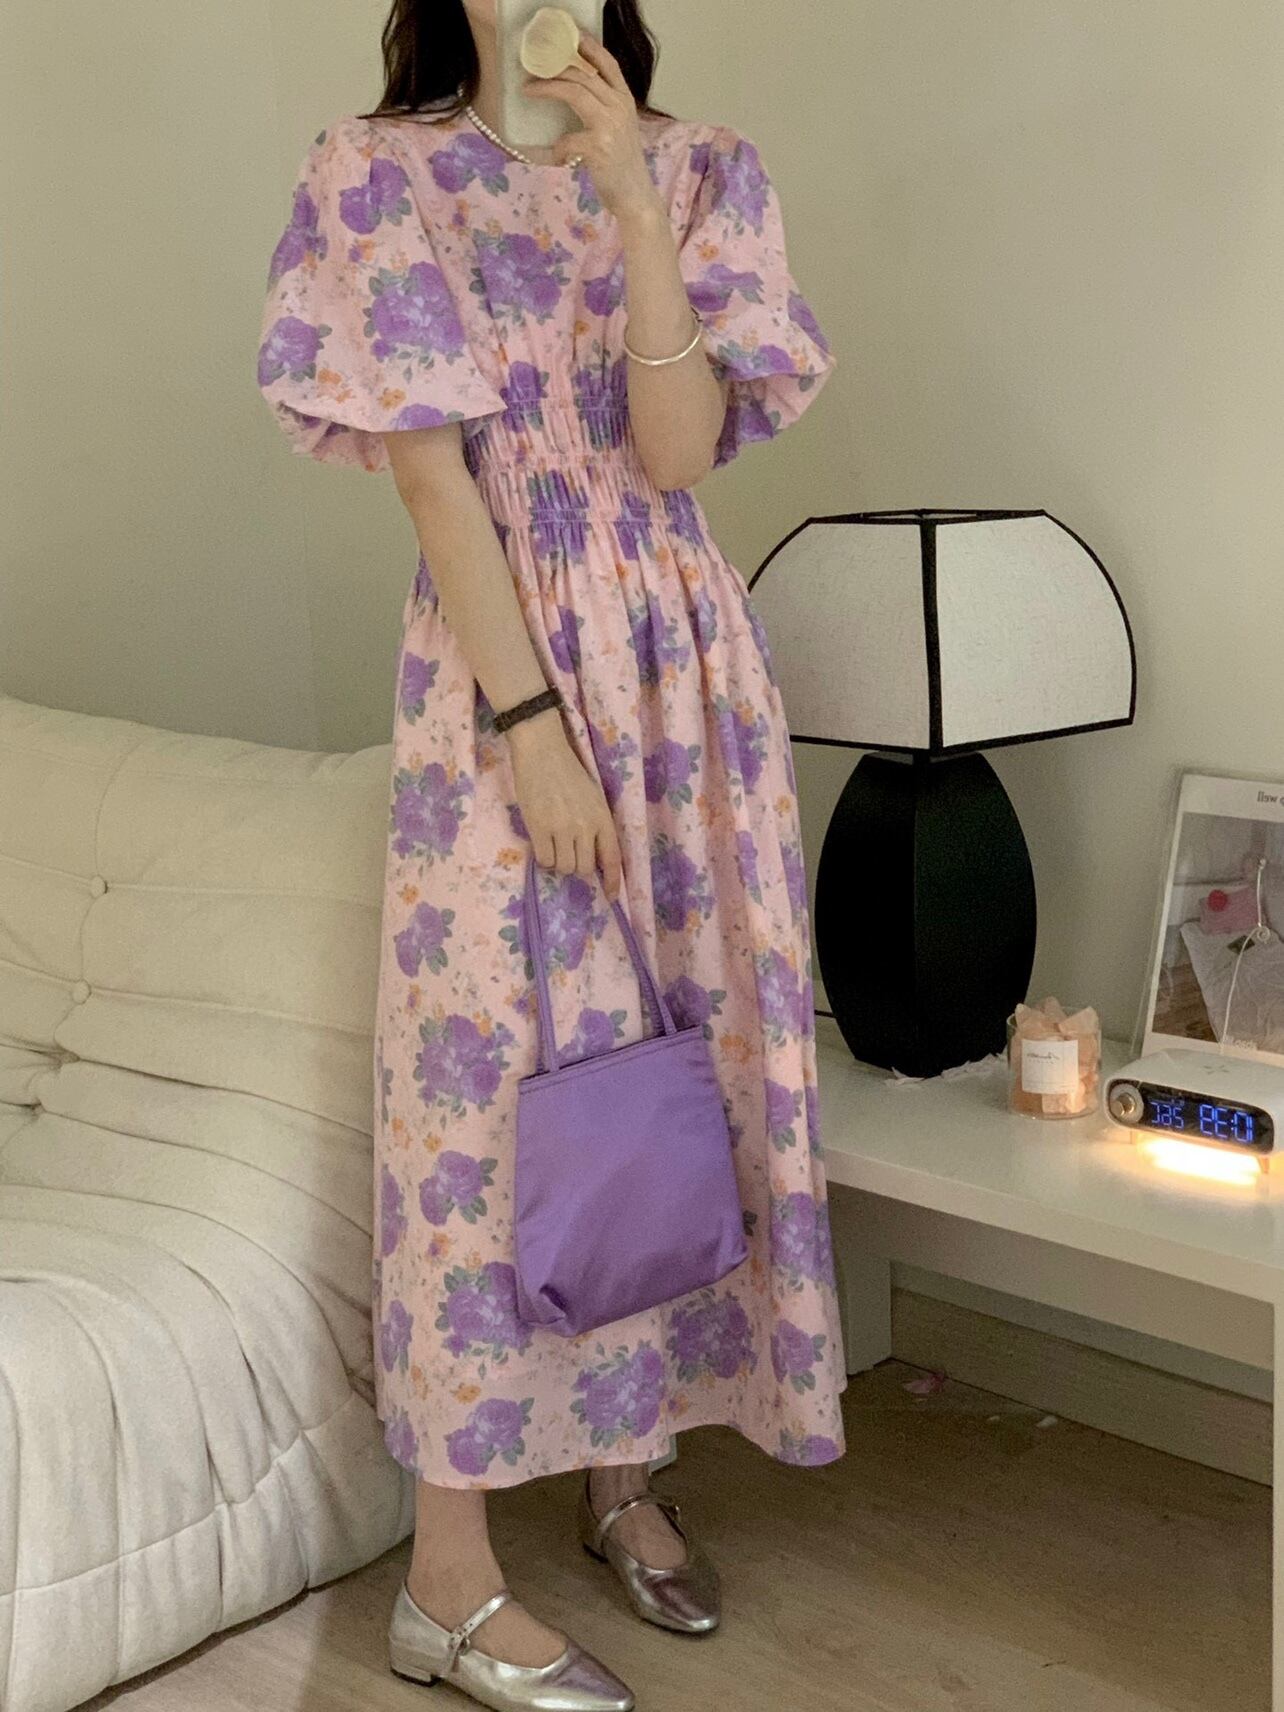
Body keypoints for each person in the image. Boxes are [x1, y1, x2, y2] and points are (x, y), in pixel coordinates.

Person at [256, 3, 847, 1707]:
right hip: (499, 675)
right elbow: (436, 487)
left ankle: (626, 1471)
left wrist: (635, 205)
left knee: (674, 1066)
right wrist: (529, 728)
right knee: (489, 1096)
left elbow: (675, 457)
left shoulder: (706, 171)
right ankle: (445, 1579)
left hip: (686, 672)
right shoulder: (376, 175)